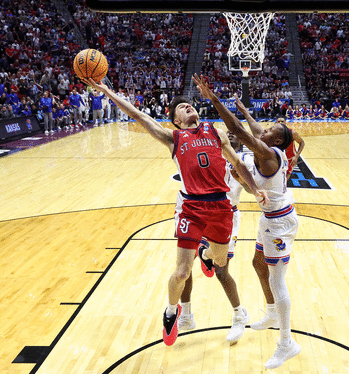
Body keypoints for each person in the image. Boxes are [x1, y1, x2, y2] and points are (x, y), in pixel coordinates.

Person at [81, 77, 268, 347]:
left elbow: (238, 163)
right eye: (181, 107)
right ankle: (171, 312)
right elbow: (138, 115)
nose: (187, 106)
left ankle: (206, 254)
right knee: (181, 272)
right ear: (176, 122)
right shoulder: (173, 138)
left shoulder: (216, 133)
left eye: (189, 104)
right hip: (192, 209)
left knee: (220, 263)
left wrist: (254, 189)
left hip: (220, 208)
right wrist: (107, 91)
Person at [195, 74, 301, 369]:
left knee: (278, 280)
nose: (262, 130)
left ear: (275, 140)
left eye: (268, 130)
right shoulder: (270, 145)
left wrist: (214, 99)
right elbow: (253, 127)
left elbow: (239, 131)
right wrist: (243, 109)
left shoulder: (267, 153)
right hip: (270, 218)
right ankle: (271, 313)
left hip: (280, 222)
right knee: (258, 264)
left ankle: (287, 344)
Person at [178, 131, 252, 344]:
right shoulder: (210, 154)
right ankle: (186, 314)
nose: (229, 134)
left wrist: (241, 179)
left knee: (221, 271)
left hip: (227, 216)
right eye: (226, 132)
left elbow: (250, 189)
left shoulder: (244, 161)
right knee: (185, 266)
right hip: (202, 212)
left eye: (233, 133)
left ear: (240, 140)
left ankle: (240, 314)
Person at [275, 116, 305, 180]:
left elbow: (302, 143)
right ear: (276, 123)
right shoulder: (273, 133)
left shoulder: (292, 133)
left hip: (289, 159)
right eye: (279, 121)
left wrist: (296, 157)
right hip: (277, 158)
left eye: (282, 121)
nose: (280, 123)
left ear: (285, 123)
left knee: (285, 179)